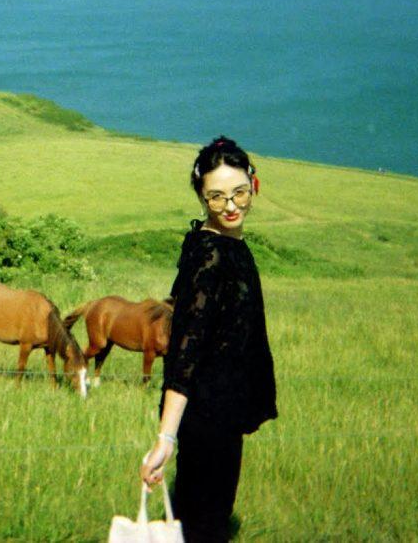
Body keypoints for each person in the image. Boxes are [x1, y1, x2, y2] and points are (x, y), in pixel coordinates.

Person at [139, 136, 278, 542]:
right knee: (205, 529)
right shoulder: (212, 256)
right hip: (208, 422)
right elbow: (185, 351)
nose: (231, 206)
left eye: (238, 193)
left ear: (254, 184)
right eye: (217, 198)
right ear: (202, 198)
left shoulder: (227, 245)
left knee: (202, 524)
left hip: (221, 415)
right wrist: (165, 438)